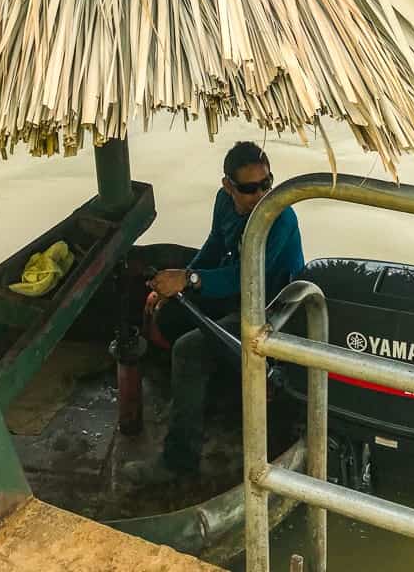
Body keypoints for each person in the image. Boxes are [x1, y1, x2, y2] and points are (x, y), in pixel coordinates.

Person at [125, 141, 304, 484]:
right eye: (250, 189)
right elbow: (213, 248)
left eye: (267, 184)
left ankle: (179, 461)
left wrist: (188, 279)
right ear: (228, 186)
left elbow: (247, 278)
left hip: (271, 309)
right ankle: (210, 395)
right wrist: (176, 286)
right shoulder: (224, 203)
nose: (262, 195)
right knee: (168, 316)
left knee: (189, 350)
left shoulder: (279, 218)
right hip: (237, 293)